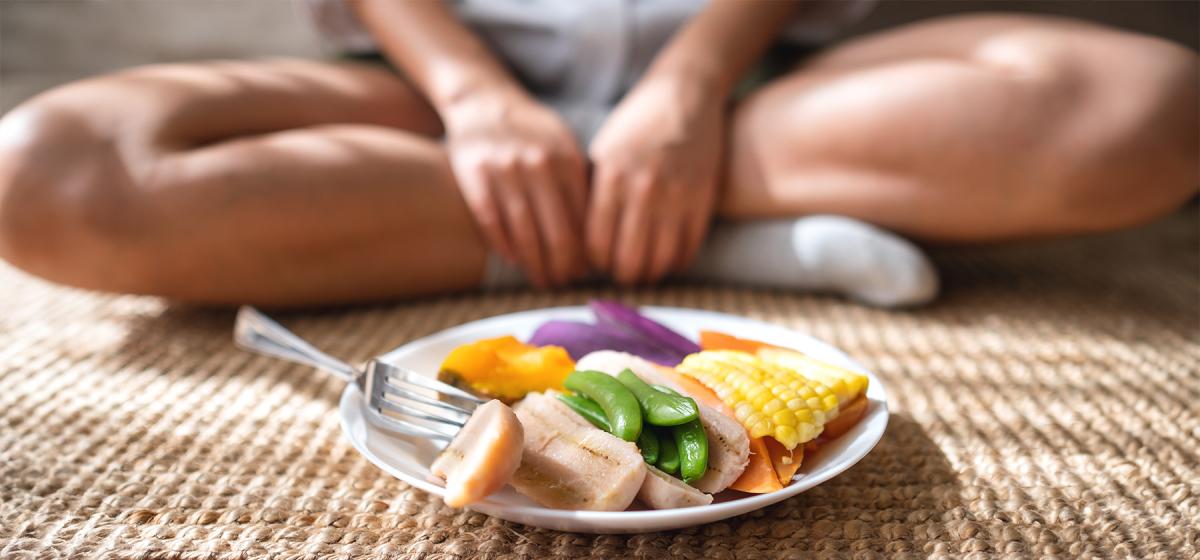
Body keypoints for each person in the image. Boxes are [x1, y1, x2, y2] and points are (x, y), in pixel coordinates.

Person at [0, 1, 1194, 308]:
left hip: (753, 106)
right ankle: (717, 243)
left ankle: (626, 210)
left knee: (1152, 108)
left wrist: (688, 89)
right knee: (46, 173)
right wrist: (476, 97)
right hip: (433, 101)